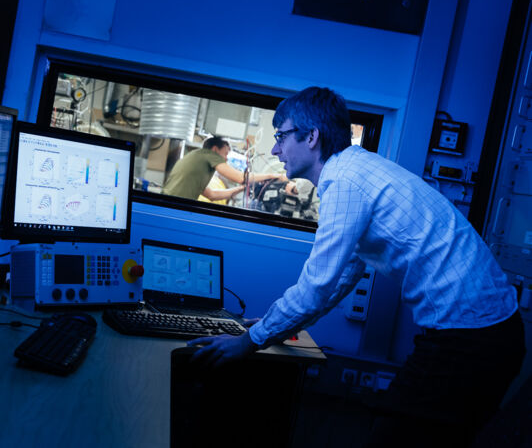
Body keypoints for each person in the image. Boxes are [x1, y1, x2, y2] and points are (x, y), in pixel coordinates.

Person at [188, 87, 525, 447]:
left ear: (312, 136)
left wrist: (249, 342)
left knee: (393, 437)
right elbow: (344, 276)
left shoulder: (345, 181)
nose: (275, 150)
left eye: (281, 137)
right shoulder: (354, 170)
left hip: (471, 340)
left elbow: (318, 284)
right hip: (485, 334)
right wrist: (275, 326)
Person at [162, 136, 286, 201]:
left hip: (169, 202)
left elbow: (212, 195)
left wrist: (242, 189)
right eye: (225, 154)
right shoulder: (209, 155)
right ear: (215, 149)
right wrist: (273, 175)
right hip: (173, 205)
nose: (226, 159)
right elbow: (240, 178)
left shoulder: (198, 158)